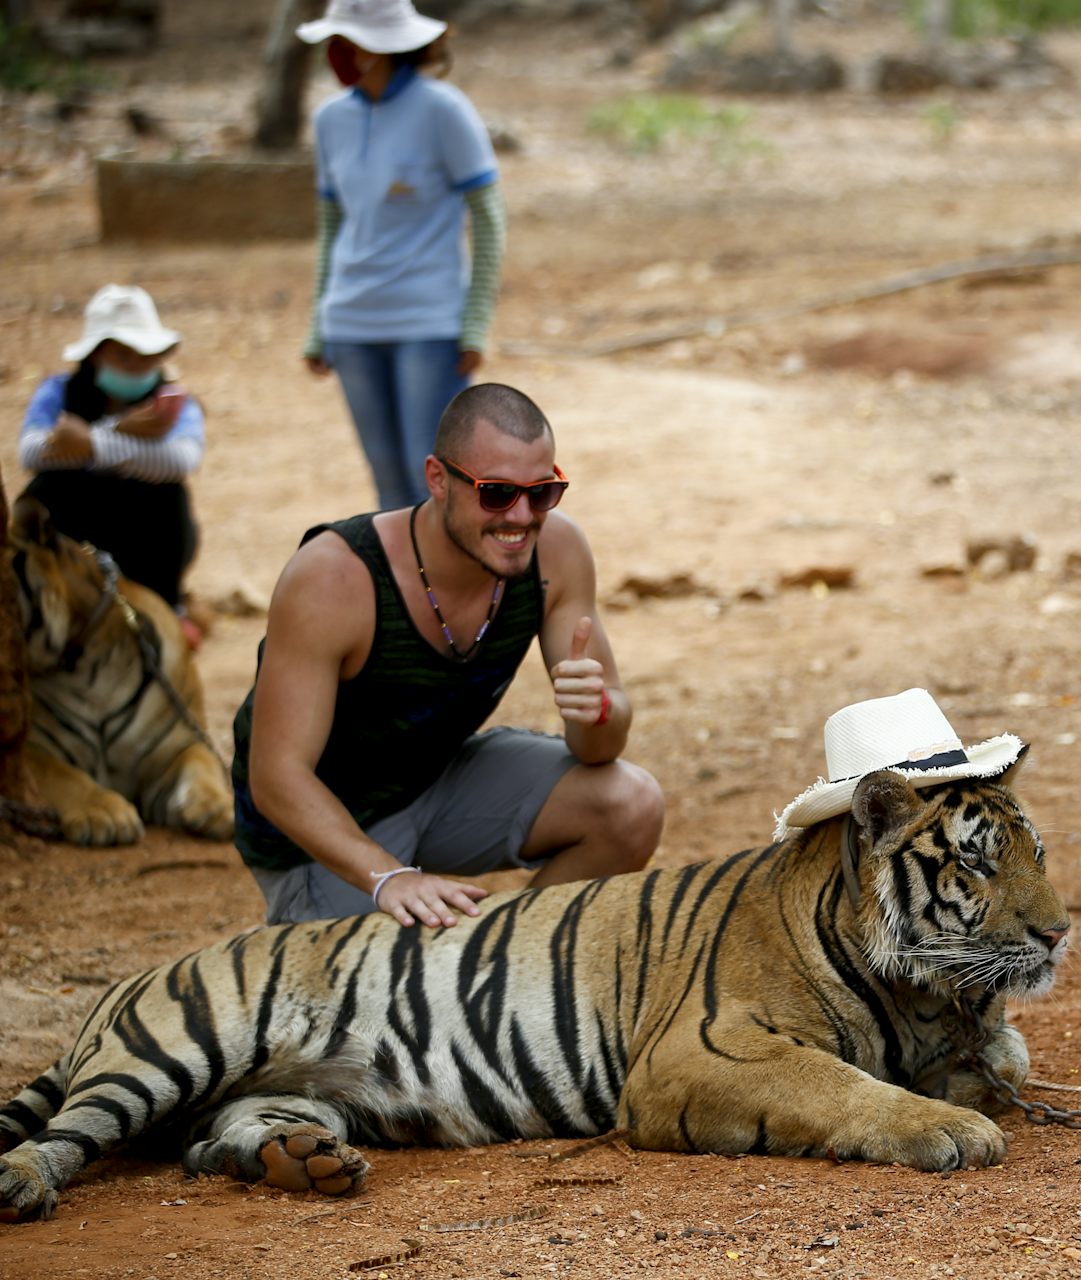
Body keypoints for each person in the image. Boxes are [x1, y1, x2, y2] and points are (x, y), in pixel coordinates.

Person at [231, 382, 664, 927]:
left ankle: (507, 961)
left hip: (434, 783)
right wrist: (388, 876)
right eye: (497, 493)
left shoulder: (556, 553)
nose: (523, 516)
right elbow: (276, 777)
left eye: (543, 492)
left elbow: (600, 746)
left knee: (630, 805)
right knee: (394, 994)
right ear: (438, 479)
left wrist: (597, 712)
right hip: (321, 833)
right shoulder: (335, 579)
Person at [297, 0, 506, 512]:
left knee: (437, 480)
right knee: (389, 487)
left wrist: (475, 320)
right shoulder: (330, 121)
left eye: (347, 39)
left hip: (428, 323)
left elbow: (488, 218)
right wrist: (318, 325)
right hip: (351, 324)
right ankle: (405, 593)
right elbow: (332, 228)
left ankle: (454, 592)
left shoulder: (444, 109)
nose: (338, 51)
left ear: (382, 46)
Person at [17, 284, 205, 620]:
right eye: (123, 354)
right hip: (75, 530)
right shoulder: (59, 390)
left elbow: (180, 460)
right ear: (94, 355)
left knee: (167, 497)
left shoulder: (176, 401)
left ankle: (168, 609)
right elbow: (31, 452)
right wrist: (118, 430)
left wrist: (90, 442)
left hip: (145, 536)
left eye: (146, 355)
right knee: (43, 492)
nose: (136, 365)